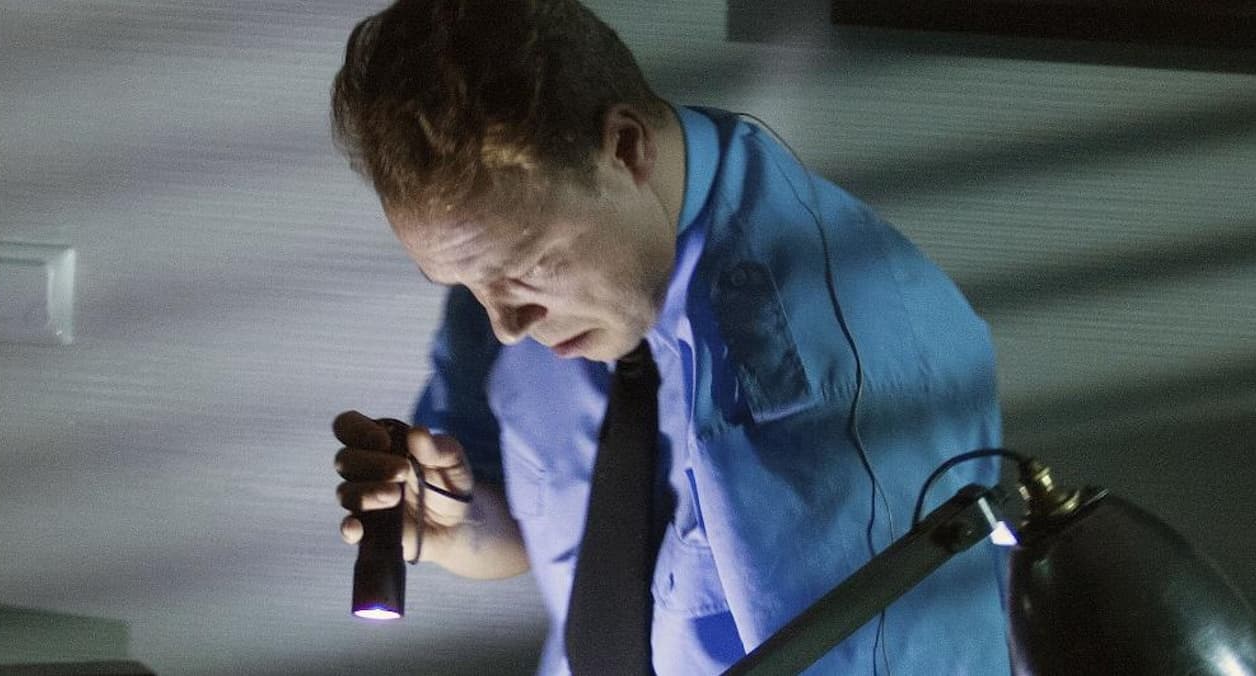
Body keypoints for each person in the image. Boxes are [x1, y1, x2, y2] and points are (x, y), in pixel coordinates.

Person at [326, 1, 1009, 674]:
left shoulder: (825, 369)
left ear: (626, 149)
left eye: (530, 266)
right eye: (465, 282)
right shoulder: (501, 250)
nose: (506, 325)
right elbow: (535, 517)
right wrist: (454, 525)